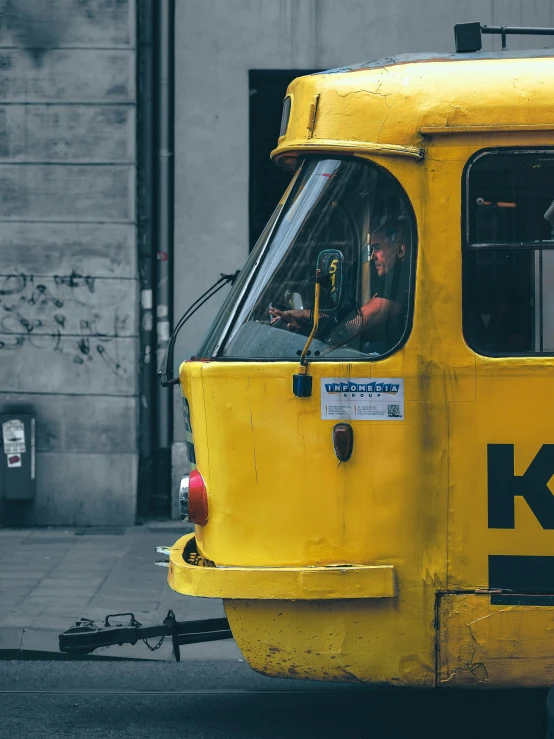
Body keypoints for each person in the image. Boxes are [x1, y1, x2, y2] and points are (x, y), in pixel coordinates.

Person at [269, 220, 409, 348]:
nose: (372, 256)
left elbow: (349, 328)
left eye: (377, 248)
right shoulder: (393, 281)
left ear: (400, 250)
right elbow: (359, 329)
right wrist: (307, 323)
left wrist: (306, 316)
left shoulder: (400, 281)